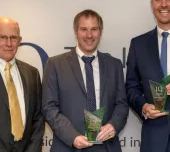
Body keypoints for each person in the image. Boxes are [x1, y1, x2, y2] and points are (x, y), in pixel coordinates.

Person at [42, 9, 129, 152]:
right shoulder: (55, 64)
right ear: (76, 32)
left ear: (100, 32)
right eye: (84, 29)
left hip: (106, 146)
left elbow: (122, 104)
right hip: (68, 145)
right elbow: (49, 108)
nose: (89, 35)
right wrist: (73, 137)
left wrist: (113, 126)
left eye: (94, 29)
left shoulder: (114, 65)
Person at [125, 0, 170, 152]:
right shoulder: (138, 45)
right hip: (154, 139)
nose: (164, 4)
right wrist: (143, 107)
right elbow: (131, 88)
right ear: (152, 4)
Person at [0, 17, 44, 152]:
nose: (8, 43)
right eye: (3, 37)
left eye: (13, 38)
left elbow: (38, 118)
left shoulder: (32, 73)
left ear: (19, 41)